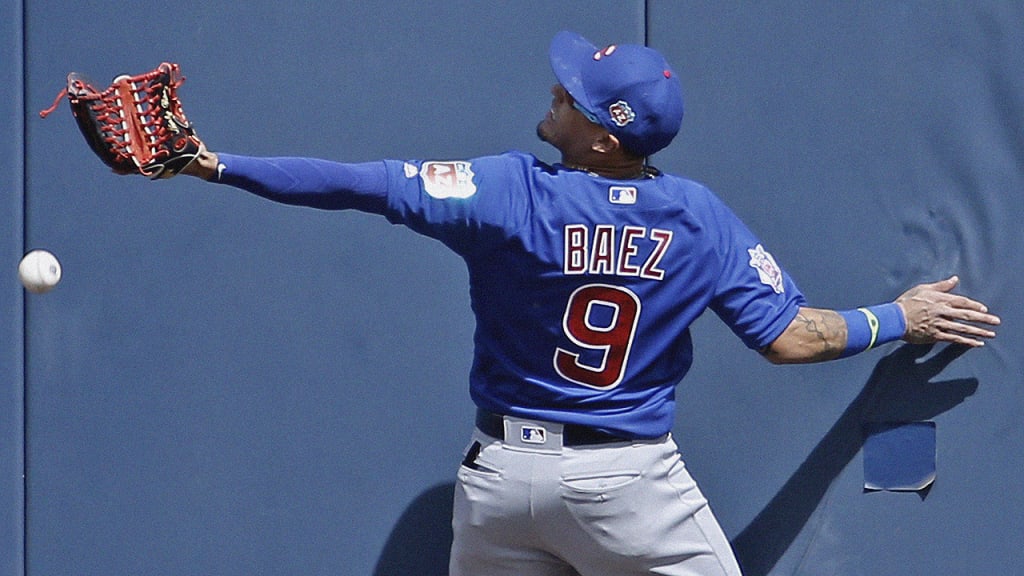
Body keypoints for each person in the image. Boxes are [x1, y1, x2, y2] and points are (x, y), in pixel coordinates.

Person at [171, 31, 999, 576]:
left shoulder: (507, 193)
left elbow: (355, 184)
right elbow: (787, 337)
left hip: (499, 488)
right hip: (625, 486)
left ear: (605, 137)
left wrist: (212, 163)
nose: (558, 92)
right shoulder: (696, 218)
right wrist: (901, 317)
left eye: (573, 95)